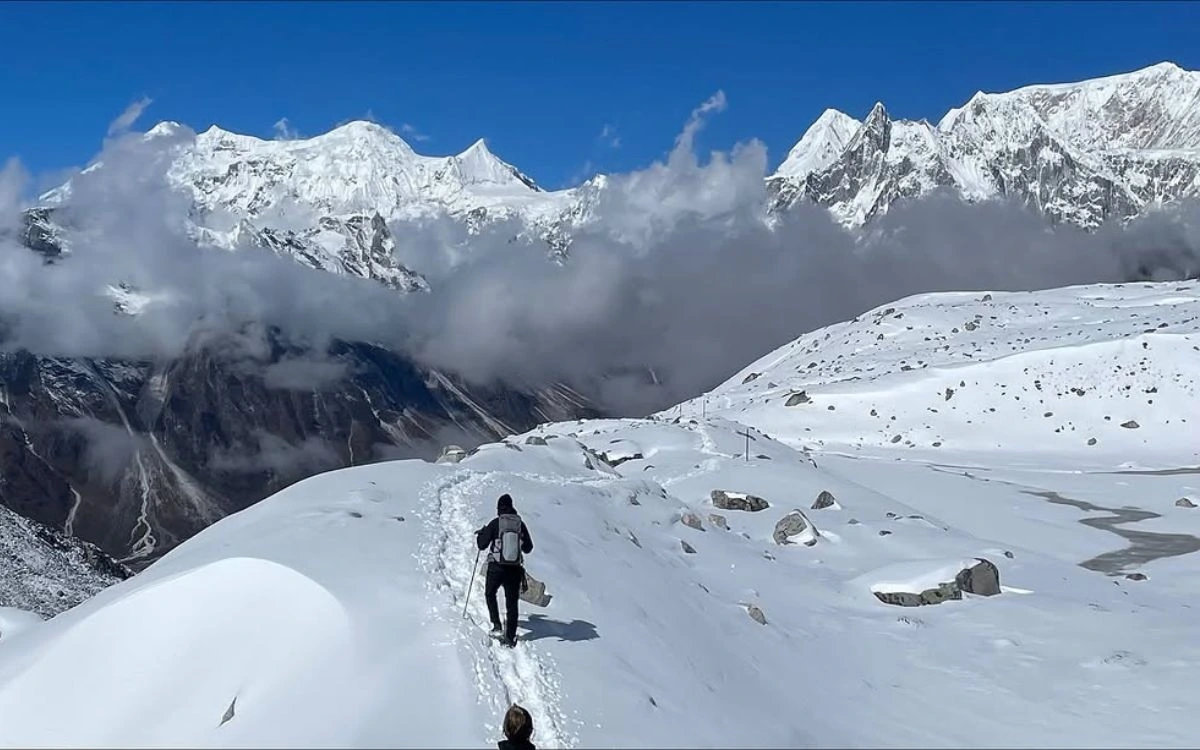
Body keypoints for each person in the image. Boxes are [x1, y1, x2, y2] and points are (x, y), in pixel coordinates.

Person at [475, 493, 534, 647]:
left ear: (499, 508)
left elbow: (482, 545)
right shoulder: (519, 524)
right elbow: (528, 548)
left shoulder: (495, 523)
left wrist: (481, 534)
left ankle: (497, 626)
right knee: (512, 603)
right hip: (514, 570)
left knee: (490, 593)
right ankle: (510, 638)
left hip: (496, 568)